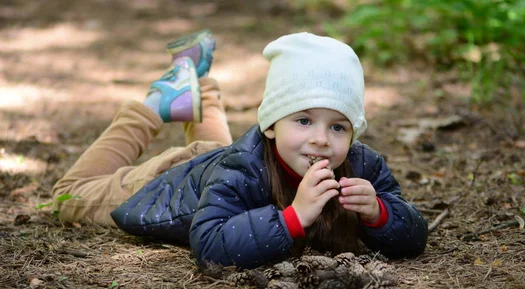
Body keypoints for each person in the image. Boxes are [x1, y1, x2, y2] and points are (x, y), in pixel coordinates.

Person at [53, 30, 428, 269]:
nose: (320, 139)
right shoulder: (244, 166)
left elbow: (415, 234)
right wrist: (293, 218)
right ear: (270, 124)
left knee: (218, 155)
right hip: (166, 187)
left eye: (338, 126)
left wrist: (380, 213)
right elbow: (210, 244)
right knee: (67, 195)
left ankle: (200, 89)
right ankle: (153, 107)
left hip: (215, 165)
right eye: (303, 120)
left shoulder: (361, 165)